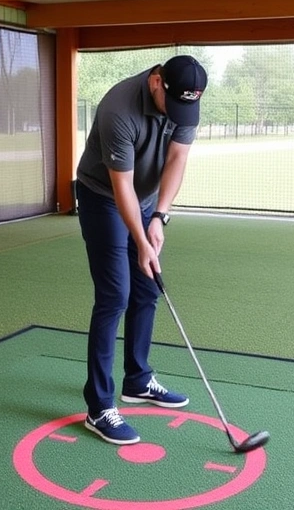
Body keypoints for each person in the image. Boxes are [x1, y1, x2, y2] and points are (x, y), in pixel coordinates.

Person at [74, 54, 208, 445]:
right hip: (103, 196)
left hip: (146, 198)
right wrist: (140, 238)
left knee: (147, 287)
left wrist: (159, 218)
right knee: (115, 294)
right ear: (156, 83)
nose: (183, 114)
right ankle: (98, 407)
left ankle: (138, 379)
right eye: (176, 104)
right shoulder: (119, 108)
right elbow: (121, 188)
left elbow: (178, 158)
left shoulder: (186, 102)